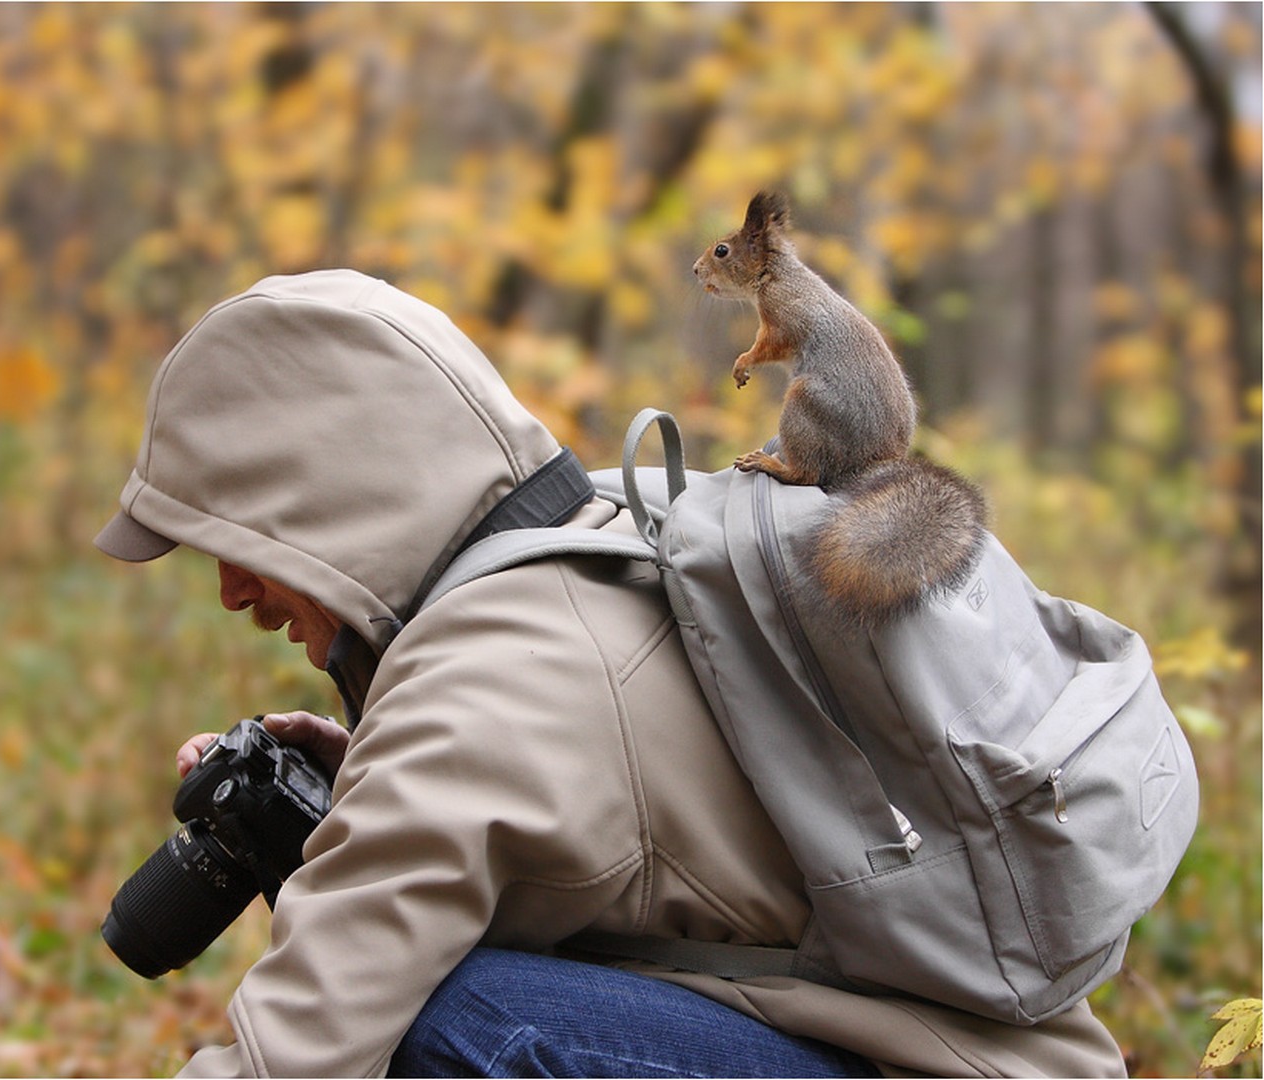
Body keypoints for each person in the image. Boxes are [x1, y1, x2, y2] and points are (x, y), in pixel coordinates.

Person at [94, 269, 1127, 1078]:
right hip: (984, 1058)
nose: (231, 590)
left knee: (448, 1025)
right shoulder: (602, 530)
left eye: (239, 540)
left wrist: (400, 783)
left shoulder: (482, 688)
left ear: (324, 498)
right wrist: (370, 775)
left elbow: (295, 1054)